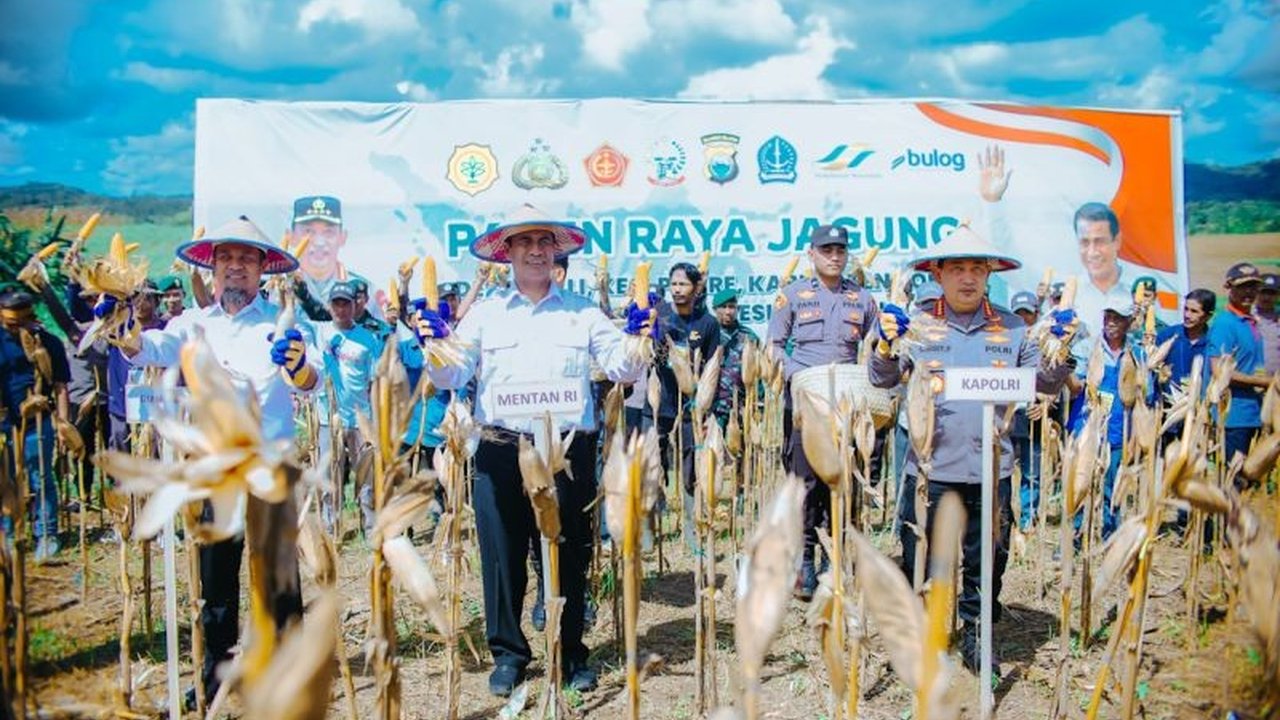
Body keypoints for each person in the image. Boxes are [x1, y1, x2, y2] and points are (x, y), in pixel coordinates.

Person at [411, 204, 654, 697]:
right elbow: (452, 377)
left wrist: (638, 336)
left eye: (545, 242)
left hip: (566, 452)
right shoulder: (486, 314)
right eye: (525, 243)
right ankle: (509, 655)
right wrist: (435, 347)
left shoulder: (582, 312)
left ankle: (569, 652)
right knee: (501, 557)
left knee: (568, 555)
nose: (537, 251)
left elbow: (623, 369)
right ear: (508, 254)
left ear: (557, 252)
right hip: (501, 449)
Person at [97, 215, 321, 706]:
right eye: (226, 258)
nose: (235, 267)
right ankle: (215, 675)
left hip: (269, 463)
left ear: (262, 268)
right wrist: (118, 318)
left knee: (279, 580)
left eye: (246, 258)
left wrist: (298, 363)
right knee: (215, 584)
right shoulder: (191, 324)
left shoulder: (282, 324)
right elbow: (143, 350)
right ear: (213, 269)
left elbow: (311, 380)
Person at [870, 225, 1076, 678]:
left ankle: (978, 634)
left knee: (988, 561)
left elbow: (1041, 383)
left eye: (976, 269)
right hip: (929, 470)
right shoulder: (918, 322)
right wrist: (886, 343)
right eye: (957, 269)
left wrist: (1059, 351)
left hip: (991, 469)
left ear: (989, 275)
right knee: (922, 558)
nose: (967, 278)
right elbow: (883, 379)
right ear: (938, 275)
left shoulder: (1014, 326)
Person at [767, 224, 878, 600]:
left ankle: (837, 559)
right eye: (826, 250)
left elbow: (879, 348)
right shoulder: (793, 296)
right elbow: (774, 346)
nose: (834, 256)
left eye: (840, 250)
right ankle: (805, 562)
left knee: (844, 482)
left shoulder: (862, 299)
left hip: (846, 408)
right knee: (805, 484)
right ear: (811, 253)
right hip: (804, 405)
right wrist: (800, 376)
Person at [0, 289, 71, 562]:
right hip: (5, 423)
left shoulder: (48, 343)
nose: (16, 329)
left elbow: (61, 387)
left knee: (40, 477)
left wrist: (63, 424)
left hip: (37, 422)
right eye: (10, 324)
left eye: (20, 323)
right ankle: (8, 534)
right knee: (6, 482)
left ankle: (46, 534)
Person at [654, 262, 720, 547]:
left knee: (692, 466)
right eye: (674, 284)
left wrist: (706, 410)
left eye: (683, 284)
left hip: (692, 407)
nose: (677, 289)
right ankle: (650, 528)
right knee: (653, 464)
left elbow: (713, 370)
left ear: (696, 288)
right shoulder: (661, 316)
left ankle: (693, 528)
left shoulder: (708, 323)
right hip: (660, 403)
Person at [1067, 303, 1141, 541]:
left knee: (1113, 485)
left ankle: (1110, 534)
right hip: (1087, 425)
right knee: (1081, 482)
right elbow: (1076, 387)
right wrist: (1065, 370)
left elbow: (1143, 395)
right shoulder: (1086, 347)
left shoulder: (1137, 353)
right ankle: (1075, 536)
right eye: (1108, 317)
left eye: (1117, 318)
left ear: (1129, 322)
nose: (1111, 322)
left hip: (1120, 427)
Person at [314, 281, 382, 532]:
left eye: (346, 304)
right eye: (336, 304)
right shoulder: (319, 333)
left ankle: (371, 528)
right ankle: (331, 529)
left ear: (356, 306)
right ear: (329, 306)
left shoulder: (369, 339)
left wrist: (373, 424)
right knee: (328, 476)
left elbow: (374, 382)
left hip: (360, 420)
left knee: (366, 477)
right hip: (327, 418)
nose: (341, 309)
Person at [1207, 262, 1269, 484]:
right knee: (1234, 481)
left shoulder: (1250, 321)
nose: (1249, 292)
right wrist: (1264, 383)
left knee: (1249, 481)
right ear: (1229, 287)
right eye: (1243, 287)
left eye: (1253, 287)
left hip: (1253, 413)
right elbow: (1218, 371)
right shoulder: (1224, 324)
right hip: (1233, 417)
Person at [288, 195, 367, 320]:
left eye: (328, 232)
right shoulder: (276, 286)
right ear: (290, 237)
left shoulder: (363, 290)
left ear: (342, 237)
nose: (319, 242)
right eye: (308, 232)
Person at [1156, 289, 1215, 442]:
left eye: (1194, 311)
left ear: (1208, 316)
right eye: (1186, 309)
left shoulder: (1213, 342)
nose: (1187, 315)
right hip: (1169, 413)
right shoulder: (1167, 336)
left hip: (1200, 414)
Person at [1007, 290, 1045, 531]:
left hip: (1032, 414)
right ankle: (1004, 516)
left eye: (1027, 315)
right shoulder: (1004, 340)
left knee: (1031, 472)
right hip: (1009, 414)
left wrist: (1045, 403)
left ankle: (1028, 518)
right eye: (1018, 314)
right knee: (1004, 469)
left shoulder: (1045, 343)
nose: (1023, 319)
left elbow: (1051, 382)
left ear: (1036, 315)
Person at [710, 288, 758, 427]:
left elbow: (758, 371)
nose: (728, 312)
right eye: (723, 307)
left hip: (740, 407)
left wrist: (757, 402)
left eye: (732, 307)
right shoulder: (709, 332)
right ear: (714, 309)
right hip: (712, 407)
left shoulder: (748, 336)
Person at [1256, 273, 1279, 375]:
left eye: (1271, 293)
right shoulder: (1246, 317)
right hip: (1251, 380)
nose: (1266, 297)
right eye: (1263, 292)